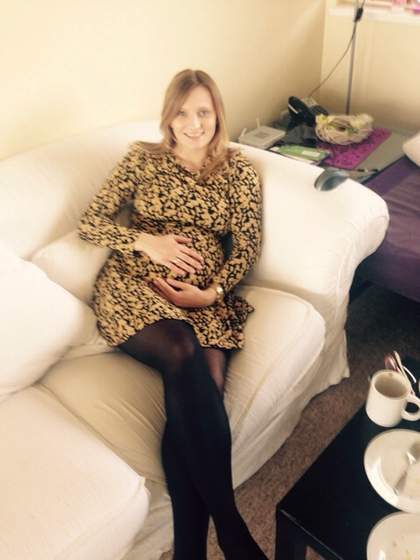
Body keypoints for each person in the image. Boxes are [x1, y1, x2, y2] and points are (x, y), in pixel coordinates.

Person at [78, 69, 266, 560]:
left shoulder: (239, 171)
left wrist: (213, 292)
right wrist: (147, 241)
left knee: (205, 387)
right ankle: (231, 529)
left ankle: (189, 550)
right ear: (168, 116)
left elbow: (247, 244)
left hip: (203, 296)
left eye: (203, 111)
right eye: (182, 113)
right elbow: (91, 223)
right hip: (135, 285)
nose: (193, 124)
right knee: (182, 348)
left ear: (218, 113)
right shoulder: (142, 159)